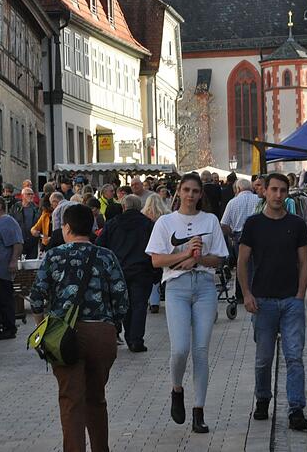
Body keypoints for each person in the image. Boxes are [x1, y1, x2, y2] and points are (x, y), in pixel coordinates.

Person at [30, 204, 129, 452]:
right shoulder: (107, 256)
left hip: (64, 336)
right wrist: (111, 326)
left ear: (66, 227)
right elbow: (122, 299)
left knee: (71, 400)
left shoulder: (53, 256)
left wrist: (42, 326)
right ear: (92, 228)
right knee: (96, 398)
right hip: (101, 334)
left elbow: (36, 298)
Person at [146, 173, 228, 434]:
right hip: (177, 288)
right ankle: (177, 388)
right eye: (187, 190)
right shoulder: (165, 222)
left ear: (201, 194)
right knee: (180, 349)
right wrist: (184, 254)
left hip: (204, 286)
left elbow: (219, 259)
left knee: (201, 350)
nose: (191, 195)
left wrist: (199, 258)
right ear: (178, 192)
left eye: (195, 191)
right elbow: (156, 261)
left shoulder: (211, 220)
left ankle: (199, 411)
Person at [237, 173, 307, 430]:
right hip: (263, 301)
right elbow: (242, 261)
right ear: (265, 192)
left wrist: (300, 295)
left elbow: (304, 262)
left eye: (283, 190)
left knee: (294, 357)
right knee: (263, 358)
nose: (278, 195)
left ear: (287, 193)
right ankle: (262, 399)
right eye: (274, 190)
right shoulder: (253, 224)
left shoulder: (297, 224)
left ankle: (296, 408)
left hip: (291, 300)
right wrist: (246, 293)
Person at [97, 195, 156, 352]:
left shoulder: (112, 224)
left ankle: (129, 335)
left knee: (125, 305)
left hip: (118, 271)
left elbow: (100, 245)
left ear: (123, 207)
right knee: (139, 305)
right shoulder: (148, 224)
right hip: (142, 270)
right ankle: (135, 339)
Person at [0, 196, 23, 340]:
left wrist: (13, 261)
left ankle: (9, 328)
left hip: (2, 269)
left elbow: (17, 243)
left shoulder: (8, 222)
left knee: (5, 299)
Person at [220, 179, 261, 303]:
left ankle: (241, 294)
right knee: (257, 264)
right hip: (258, 236)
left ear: (237, 189)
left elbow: (223, 224)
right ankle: (257, 291)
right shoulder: (259, 200)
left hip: (239, 236)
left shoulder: (232, 202)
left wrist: (231, 233)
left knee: (242, 265)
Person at [141, 194, 170, 313]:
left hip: (150, 248)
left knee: (153, 275)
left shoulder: (143, 215)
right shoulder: (167, 214)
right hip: (166, 248)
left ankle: (154, 302)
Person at [11, 186, 40, 259]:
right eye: (28, 194)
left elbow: (40, 222)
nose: (31, 196)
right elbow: (11, 222)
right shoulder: (15, 208)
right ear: (22, 196)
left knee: (32, 263)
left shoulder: (36, 208)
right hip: (20, 240)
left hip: (33, 240)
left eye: (32, 194)